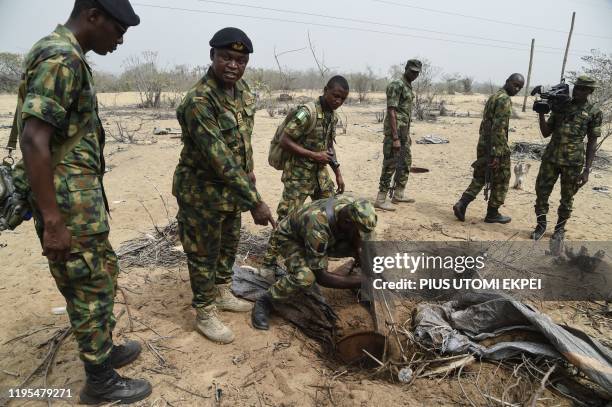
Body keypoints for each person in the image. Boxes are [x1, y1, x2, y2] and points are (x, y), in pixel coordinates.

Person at [14, 0, 151, 404]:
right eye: (118, 30)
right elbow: (33, 139)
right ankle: (100, 382)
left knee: (100, 276)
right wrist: (54, 221)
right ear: (93, 16)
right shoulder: (61, 59)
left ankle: (104, 351)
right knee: (88, 286)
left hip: (79, 204)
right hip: (69, 208)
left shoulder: (65, 53)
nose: (120, 40)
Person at [172, 27, 276, 344]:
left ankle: (221, 292)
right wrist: (255, 200)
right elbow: (218, 156)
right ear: (212, 56)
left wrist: (251, 173)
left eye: (240, 60)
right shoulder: (199, 101)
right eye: (227, 58)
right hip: (201, 191)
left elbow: (242, 142)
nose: (233, 65)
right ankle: (205, 312)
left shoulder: (242, 92)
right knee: (203, 252)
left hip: (231, 189)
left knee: (228, 245)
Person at [260, 76, 349, 277]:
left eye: (342, 99)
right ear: (325, 90)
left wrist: (338, 173)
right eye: (335, 96)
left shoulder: (331, 116)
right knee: (286, 218)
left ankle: (318, 256)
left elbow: (328, 146)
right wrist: (313, 155)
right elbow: (284, 140)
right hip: (298, 175)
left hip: (319, 174)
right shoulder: (307, 112)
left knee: (330, 213)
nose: (338, 101)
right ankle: (268, 264)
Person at [251, 196, 377, 330]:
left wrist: (360, 250)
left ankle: (363, 285)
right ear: (347, 222)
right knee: (306, 277)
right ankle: (266, 301)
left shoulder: (352, 207)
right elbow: (322, 278)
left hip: (323, 236)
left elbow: (362, 237)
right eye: (358, 229)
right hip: (291, 238)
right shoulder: (317, 226)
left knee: (369, 250)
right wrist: (362, 281)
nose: (360, 233)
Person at [530, 75, 602, 240]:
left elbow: (592, 141)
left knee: (567, 197)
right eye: (577, 87)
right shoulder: (561, 106)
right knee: (541, 193)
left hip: (573, 162)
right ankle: (541, 225)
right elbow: (546, 132)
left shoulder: (594, 112)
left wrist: (587, 170)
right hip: (551, 158)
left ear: (589, 91)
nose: (577, 91)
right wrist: (541, 113)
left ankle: (559, 230)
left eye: (583, 89)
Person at [453, 73, 525, 223]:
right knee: (503, 178)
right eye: (515, 84)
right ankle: (493, 213)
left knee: (481, 176)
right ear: (507, 81)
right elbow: (498, 128)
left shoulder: (494, 96)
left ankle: (462, 204)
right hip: (496, 146)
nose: (516, 88)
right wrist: (496, 154)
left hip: (485, 143)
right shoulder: (504, 99)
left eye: (519, 87)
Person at [374, 59, 422, 211]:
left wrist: (406, 135)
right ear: (406, 68)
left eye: (417, 72)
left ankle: (399, 194)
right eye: (412, 71)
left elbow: (404, 113)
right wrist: (395, 138)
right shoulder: (397, 85)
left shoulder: (408, 87)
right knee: (391, 163)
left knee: (405, 162)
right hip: (394, 133)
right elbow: (392, 110)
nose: (414, 74)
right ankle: (381, 198)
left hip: (403, 132)